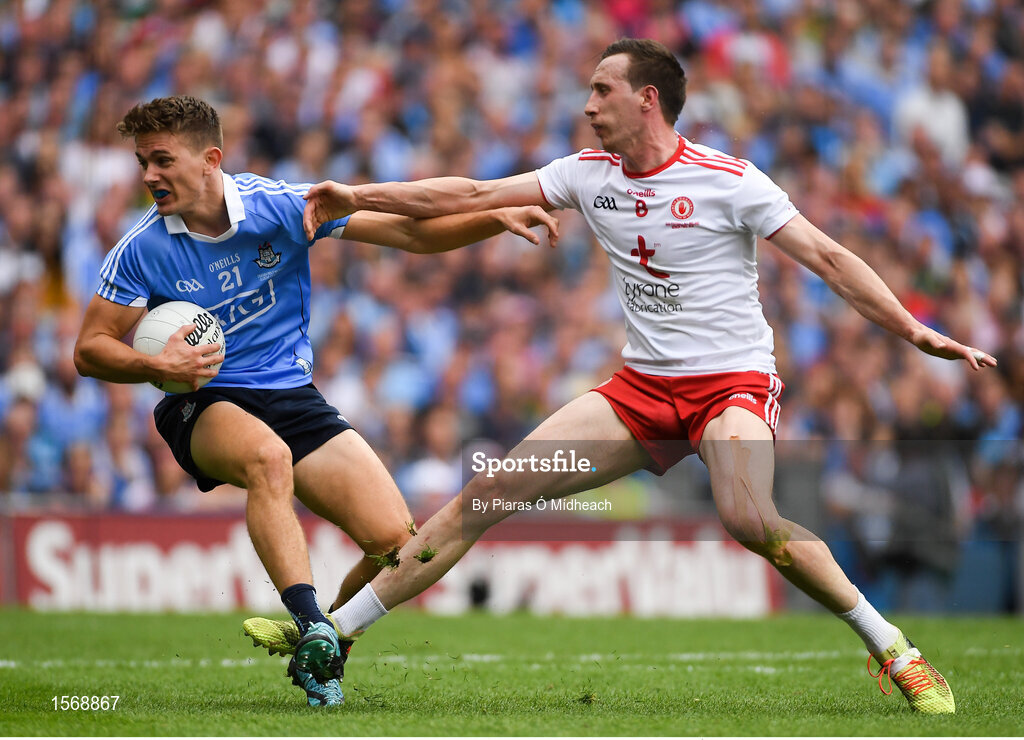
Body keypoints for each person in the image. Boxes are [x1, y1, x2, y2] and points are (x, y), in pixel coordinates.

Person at [245, 39, 997, 714]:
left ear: (648, 99)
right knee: (486, 494)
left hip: (729, 385)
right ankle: (333, 634)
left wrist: (913, 331)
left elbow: (830, 259)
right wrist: (357, 194)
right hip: (639, 394)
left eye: (601, 90)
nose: (586, 104)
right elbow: (471, 195)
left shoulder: (729, 180)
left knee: (748, 519)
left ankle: (894, 649)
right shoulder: (586, 175)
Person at [72, 95, 557, 708]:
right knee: (267, 460)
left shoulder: (280, 207)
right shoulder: (142, 247)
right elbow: (89, 349)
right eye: (143, 162)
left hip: (291, 394)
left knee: (400, 544)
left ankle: (326, 644)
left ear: (210, 159)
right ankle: (310, 621)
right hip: (201, 398)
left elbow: (408, 231)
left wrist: (497, 217)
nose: (148, 175)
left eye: (162, 160)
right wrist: (155, 364)